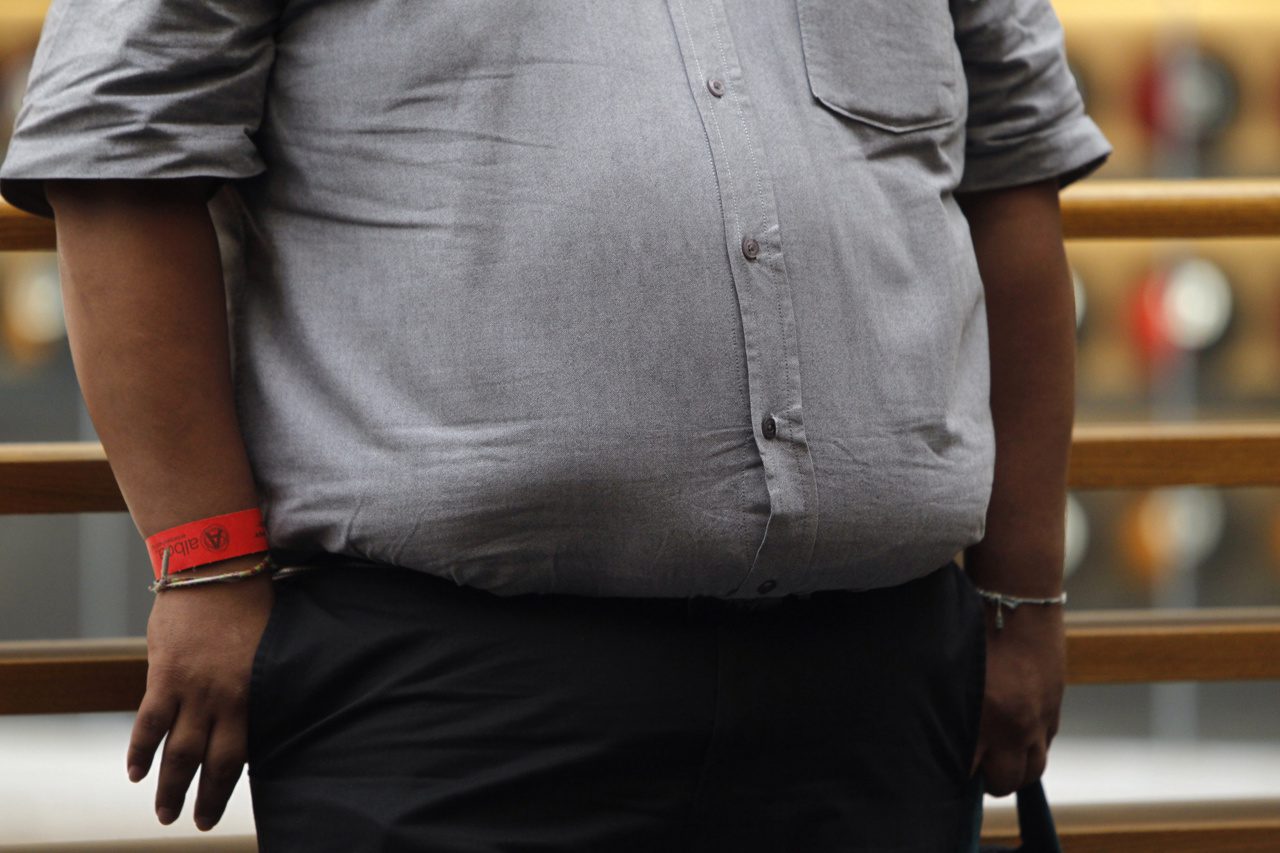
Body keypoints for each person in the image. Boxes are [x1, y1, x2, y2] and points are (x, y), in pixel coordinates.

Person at [1, 0, 1110, 849]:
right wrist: (206, 566)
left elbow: (1010, 186)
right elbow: (118, 154)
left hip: (875, 685)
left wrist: (1024, 600)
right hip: (451, 688)